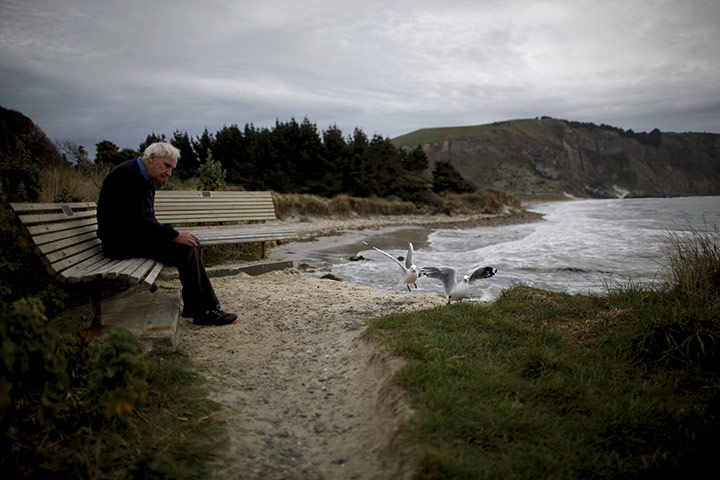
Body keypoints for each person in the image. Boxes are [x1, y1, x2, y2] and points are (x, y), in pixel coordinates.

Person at [97, 142, 237, 326]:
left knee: (191, 243)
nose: (169, 173)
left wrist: (174, 235)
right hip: (119, 243)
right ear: (152, 158)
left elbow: (147, 220)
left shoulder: (144, 177)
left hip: (132, 237)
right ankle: (205, 311)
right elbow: (138, 222)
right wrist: (173, 234)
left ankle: (194, 307)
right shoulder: (128, 176)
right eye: (167, 166)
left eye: (172, 168)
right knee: (185, 249)